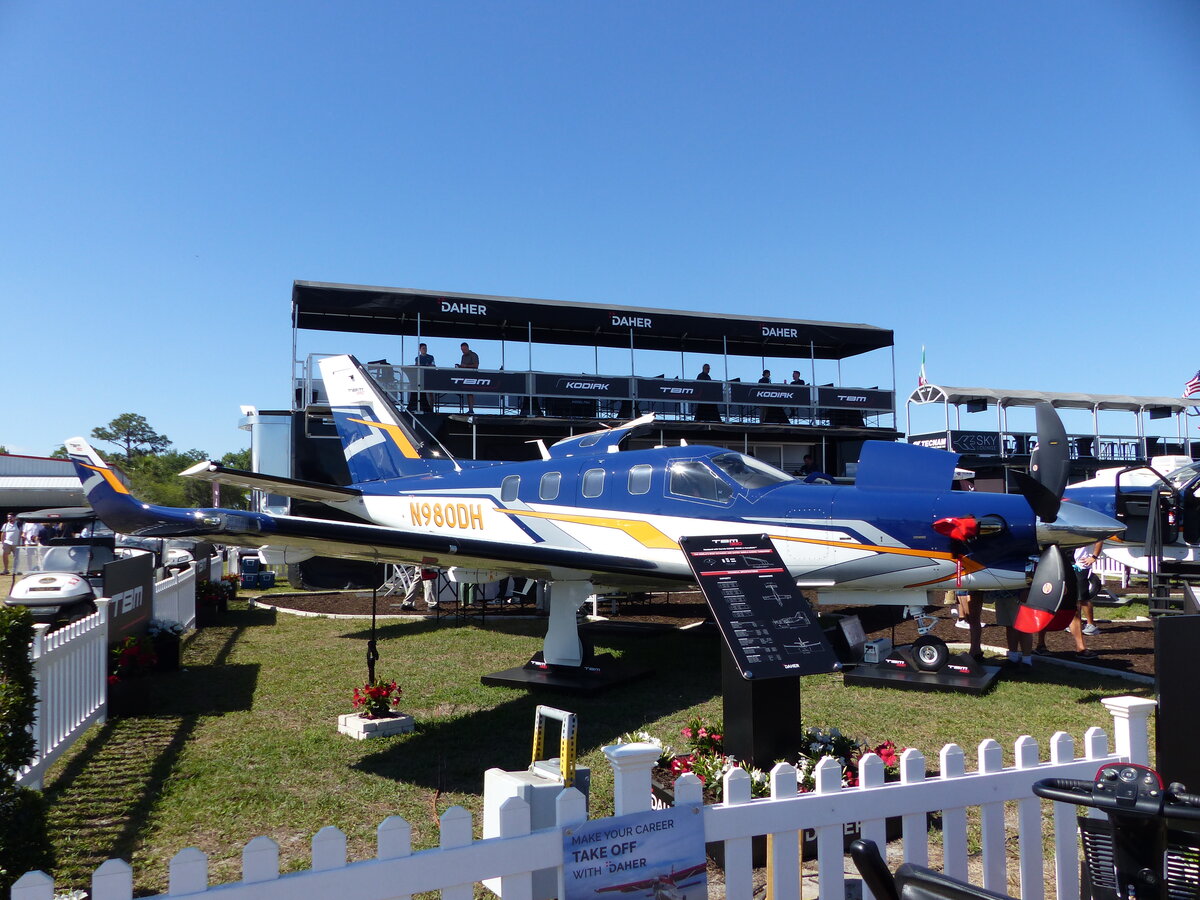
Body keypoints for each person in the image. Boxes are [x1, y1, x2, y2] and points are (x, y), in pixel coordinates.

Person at [410, 342, 435, 413]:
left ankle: (431, 409)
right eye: (423, 348)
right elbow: (416, 366)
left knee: (430, 394)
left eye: (426, 348)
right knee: (420, 393)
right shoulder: (417, 358)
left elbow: (433, 366)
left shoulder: (430, 357)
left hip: (429, 377)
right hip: (420, 378)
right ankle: (421, 408)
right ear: (420, 349)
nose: (425, 350)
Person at [455, 342, 479, 413]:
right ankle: (467, 409)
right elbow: (463, 366)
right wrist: (459, 366)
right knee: (467, 393)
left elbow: (476, 365)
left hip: (472, 376)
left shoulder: (473, 355)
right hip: (464, 376)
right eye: (462, 350)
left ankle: (471, 409)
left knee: (470, 393)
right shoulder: (463, 356)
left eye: (464, 349)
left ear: (467, 348)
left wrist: (466, 366)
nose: (463, 351)